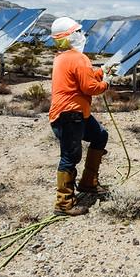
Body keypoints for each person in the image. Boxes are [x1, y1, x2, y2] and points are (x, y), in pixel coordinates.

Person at [48, 17, 111, 216]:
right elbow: (90, 87)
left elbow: (84, 77)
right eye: (79, 31)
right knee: (70, 156)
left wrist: (102, 71)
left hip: (74, 113)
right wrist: (106, 83)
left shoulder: (63, 57)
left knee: (100, 135)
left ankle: (88, 183)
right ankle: (64, 203)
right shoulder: (78, 58)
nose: (82, 35)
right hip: (70, 115)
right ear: (71, 36)